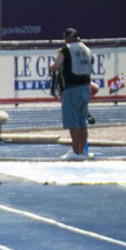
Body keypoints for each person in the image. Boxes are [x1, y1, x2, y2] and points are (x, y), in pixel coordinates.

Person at [51, 28, 92, 159]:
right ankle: (82, 151)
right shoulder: (86, 49)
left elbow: (56, 66)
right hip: (86, 87)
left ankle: (76, 151)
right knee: (83, 120)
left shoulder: (65, 50)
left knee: (73, 121)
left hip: (71, 88)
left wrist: (51, 65)